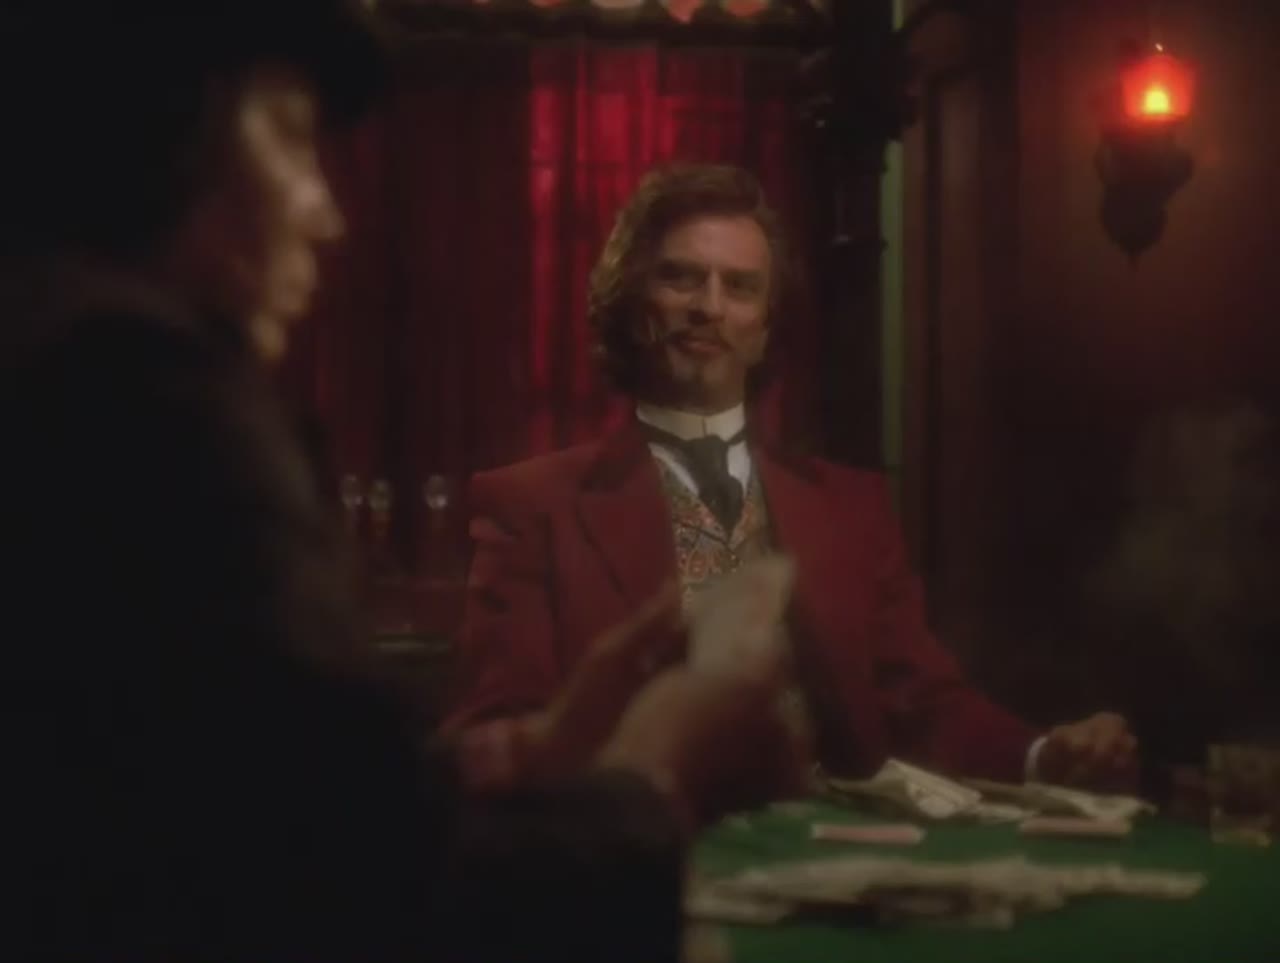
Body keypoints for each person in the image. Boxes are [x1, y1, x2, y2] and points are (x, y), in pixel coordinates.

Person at [0, 9, 804, 960]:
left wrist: (530, 752)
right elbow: (343, 898)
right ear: (158, 127)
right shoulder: (130, 392)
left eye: (739, 286)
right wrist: (656, 780)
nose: (326, 214)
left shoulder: (66, 356)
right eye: (291, 139)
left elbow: (256, 803)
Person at [445, 163, 1138, 790]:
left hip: (839, 849)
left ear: (766, 326)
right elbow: (502, 728)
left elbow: (924, 703)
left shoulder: (849, 506)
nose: (709, 306)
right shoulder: (532, 505)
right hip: (644, 848)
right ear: (630, 302)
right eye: (680, 277)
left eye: (740, 287)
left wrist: (1043, 754)